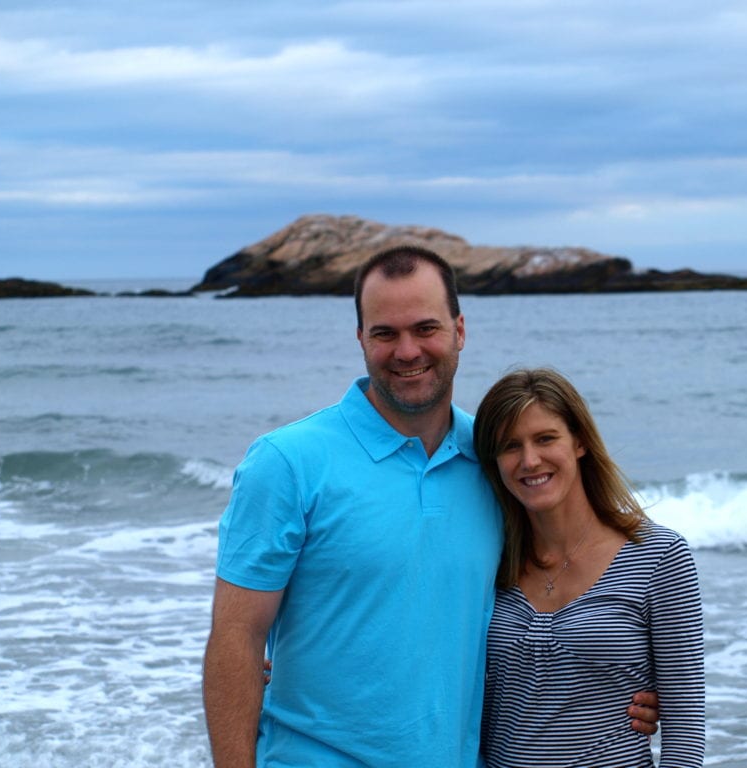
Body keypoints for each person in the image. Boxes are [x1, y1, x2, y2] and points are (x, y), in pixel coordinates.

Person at [202, 246, 659, 767]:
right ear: (360, 339)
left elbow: (554, 591)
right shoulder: (286, 462)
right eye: (384, 333)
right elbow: (237, 636)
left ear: (459, 331)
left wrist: (628, 683)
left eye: (425, 328)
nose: (407, 351)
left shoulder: (495, 459)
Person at [473, 367, 705, 767]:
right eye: (510, 446)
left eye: (546, 439)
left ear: (579, 441)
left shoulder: (659, 557)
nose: (530, 460)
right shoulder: (487, 560)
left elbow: (685, 734)